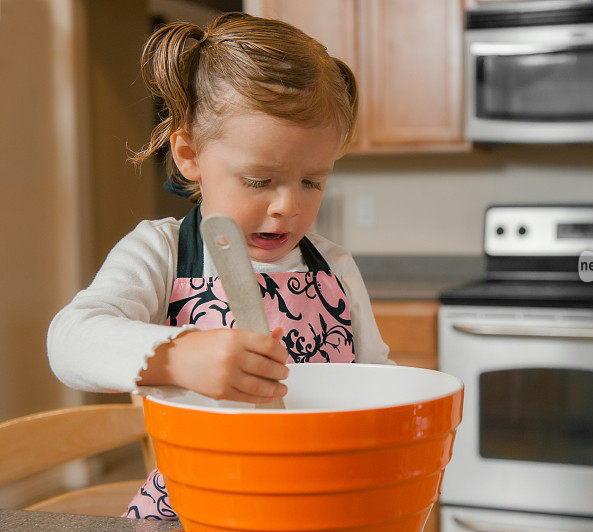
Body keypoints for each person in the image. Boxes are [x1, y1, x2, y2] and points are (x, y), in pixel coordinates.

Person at [46, 12, 392, 521]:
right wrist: (179, 357)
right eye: (258, 181)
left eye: (311, 182)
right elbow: (69, 340)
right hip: (192, 506)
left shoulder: (334, 266)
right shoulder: (161, 253)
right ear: (189, 155)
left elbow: (376, 382)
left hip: (318, 499)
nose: (286, 207)